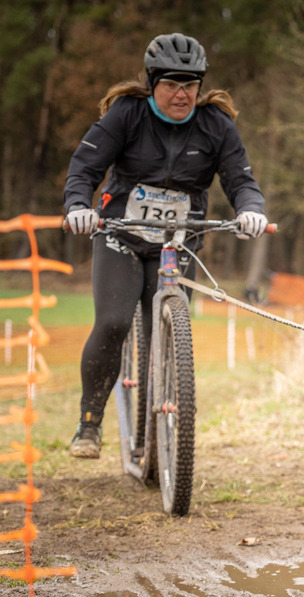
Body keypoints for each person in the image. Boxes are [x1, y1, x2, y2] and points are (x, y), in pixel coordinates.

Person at [63, 33, 269, 458]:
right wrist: (78, 206)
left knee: (166, 330)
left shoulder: (216, 125)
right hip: (121, 236)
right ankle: (89, 423)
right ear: (153, 83)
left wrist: (251, 211)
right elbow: (84, 167)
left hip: (178, 241)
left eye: (190, 85)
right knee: (114, 323)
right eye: (173, 84)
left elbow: (241, 180)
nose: (182, 94)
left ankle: (160, 428)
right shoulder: (127, 114)